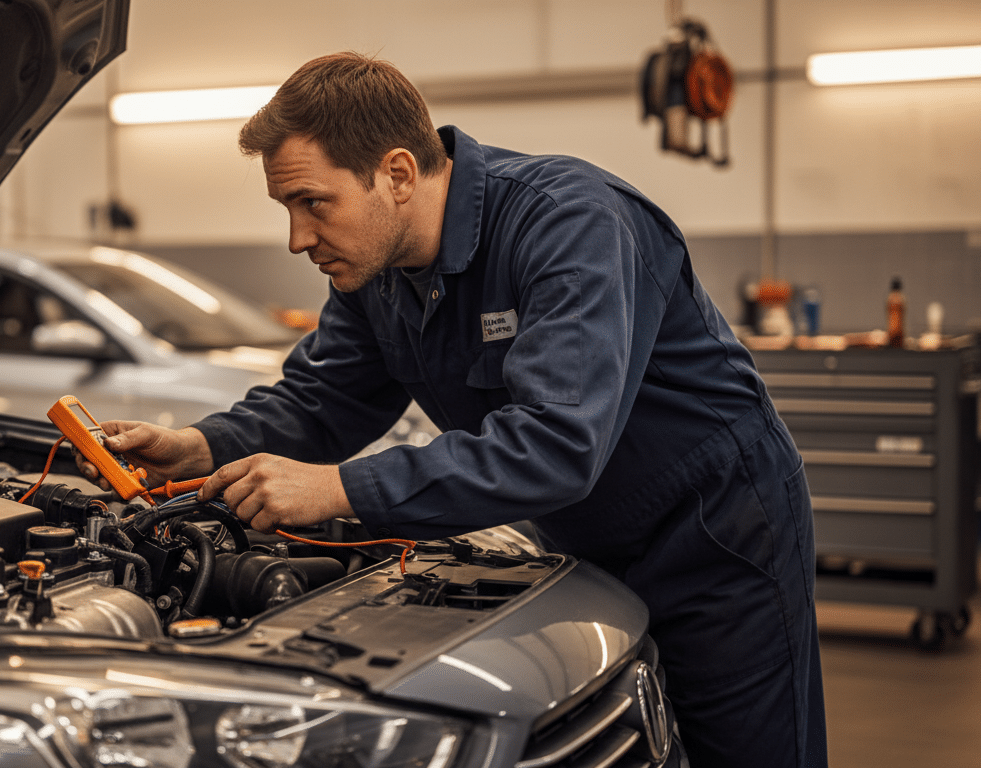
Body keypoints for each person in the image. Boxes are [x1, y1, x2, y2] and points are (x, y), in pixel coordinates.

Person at [75, 51, 827, 768]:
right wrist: (198, 445)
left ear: (397, 173)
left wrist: (338, 490)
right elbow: (324, 397)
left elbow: (555, 441)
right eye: (287, 207)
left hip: (715, 538)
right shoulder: (375, 269)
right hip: (584, 529)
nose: (299, 237)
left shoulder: (568, 223)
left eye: (313, 204)